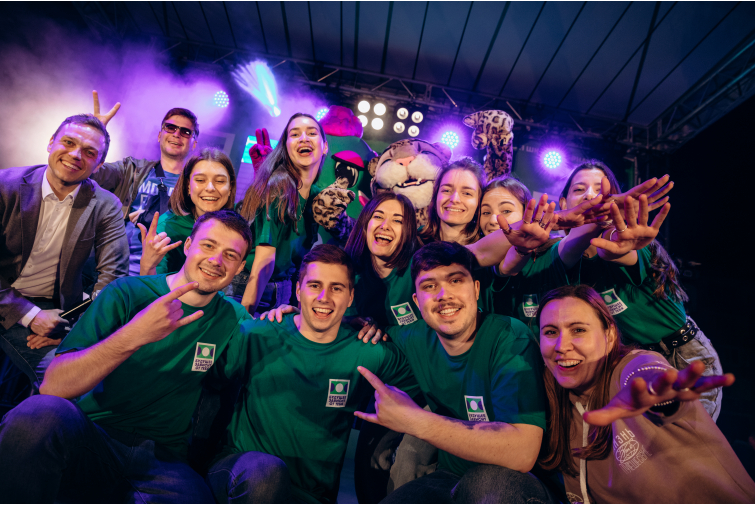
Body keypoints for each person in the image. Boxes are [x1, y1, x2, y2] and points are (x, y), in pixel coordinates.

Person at [0, 210, 252, 502]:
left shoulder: (234, 318)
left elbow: (275, 343)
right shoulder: (127, 293)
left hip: (163, 461)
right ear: (188, 246)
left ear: (240, 267)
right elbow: (53, 386)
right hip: (94, 435)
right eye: (208, 245)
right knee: (36, 415)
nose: (216, 260)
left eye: (230, 255)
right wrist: (134, 334)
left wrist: (285, 315)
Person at [206, 245, 419, 503]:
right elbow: (203, 381)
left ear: (351, 297)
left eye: (336, 288)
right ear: (298, 291)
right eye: (315, 285)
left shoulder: (368, 352)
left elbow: (425, 381)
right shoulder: (258, 334)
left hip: (312, 494)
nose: (324, 297)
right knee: (266, 475)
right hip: (243, 476)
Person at [355, 241, 553, 504]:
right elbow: (349, 340)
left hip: (513, 482)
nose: (443, 294)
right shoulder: (413, 337)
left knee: (489, 483)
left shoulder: (509, 337)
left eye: (456, 280)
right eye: (429, 286)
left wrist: (416, 421)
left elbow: (522, 453)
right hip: (449, 477)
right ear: (416, 301)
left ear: (476, 289)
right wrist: (338, 321)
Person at [536, 284, 755, 503]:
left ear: (609, 335)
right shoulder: (555, 396)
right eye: (551, 332)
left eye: (578, 330)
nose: (561, 346)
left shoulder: (631, 367)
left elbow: (647, 372)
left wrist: (658, 395)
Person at [558, 160, 722, 420]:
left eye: (601, 190)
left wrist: (617, 245)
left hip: (683, 356)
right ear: (563, 203)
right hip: (636, 363)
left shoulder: (629, 242)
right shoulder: (566, 261)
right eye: (579, 189)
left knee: (691, 440)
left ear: (618, 202)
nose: (590, 196)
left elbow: (617, 251)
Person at [0, 113, 128, 390]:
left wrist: (77, 332)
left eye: (89, 152)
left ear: (99, 165)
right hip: (6, 296)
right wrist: (30, 315)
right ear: (50, 143)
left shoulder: (106, 205)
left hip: (56, 311)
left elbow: (113, 278)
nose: (75, 155)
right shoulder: (5, 186)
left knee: (73, 382)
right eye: (68, 142)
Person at [90, 91, 199, 276]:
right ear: (159, 135)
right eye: (170, 127)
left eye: (185, 132)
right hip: (115, 273)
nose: (176, 134)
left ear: (194, 144)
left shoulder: (197, 186)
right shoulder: (131, 170)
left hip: (163, 278)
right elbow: (90, 173)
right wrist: (94, 134)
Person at [237, 113, 328, 314]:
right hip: (249, 288)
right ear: (286, 147)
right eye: (294, 134)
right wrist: (244, 318)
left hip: (284, 291)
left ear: (325, 147)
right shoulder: (278, 187)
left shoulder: (318, 197)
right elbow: (264, 262)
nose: (304, 138)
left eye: (312, 133)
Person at [138, 148, 237, 276]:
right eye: (200, 180)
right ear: (188, 186)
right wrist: (147, 265)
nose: (210, 188)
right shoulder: (168, 226)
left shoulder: (240, 226)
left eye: (219, 181)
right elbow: (150, 283)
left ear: (230, 188)